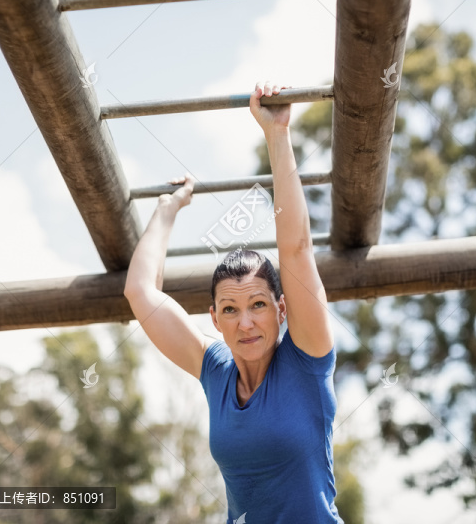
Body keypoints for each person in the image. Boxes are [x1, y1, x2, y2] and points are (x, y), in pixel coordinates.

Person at [124, 81, 344, 524]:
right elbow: (140, 292)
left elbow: (297, 248)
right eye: (230, 309)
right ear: (215, 319)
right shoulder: (215, 371)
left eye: (258, 305)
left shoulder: (307, 359)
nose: (245, 322)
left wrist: (277, 135)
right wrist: (168, 209)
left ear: (282, 310)